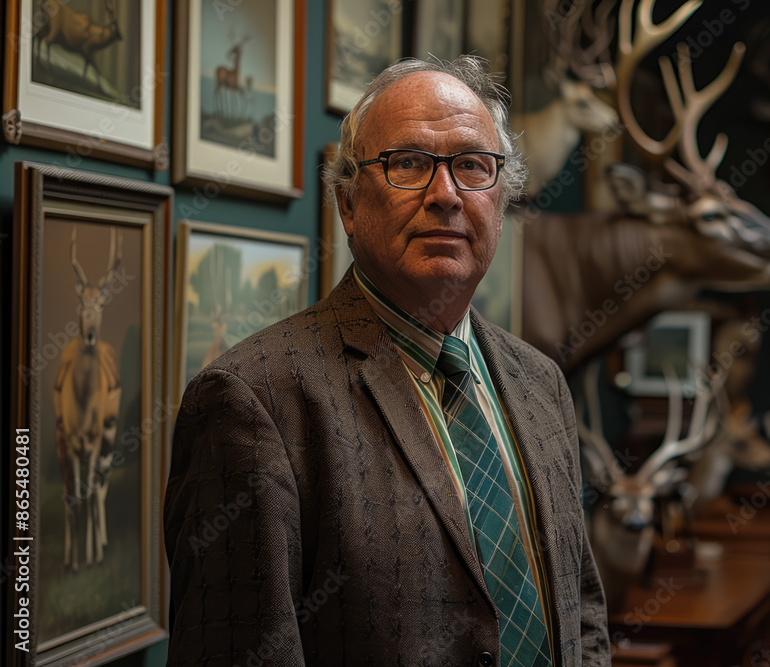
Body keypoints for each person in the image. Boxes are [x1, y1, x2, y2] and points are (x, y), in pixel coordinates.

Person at [163, 56, 611, 667]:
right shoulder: (255, 402)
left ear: (501, 204)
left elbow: (580, 609)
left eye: (473, 167)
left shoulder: (542, 382)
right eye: (409, 165)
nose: (446, 196)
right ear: (348, 204)